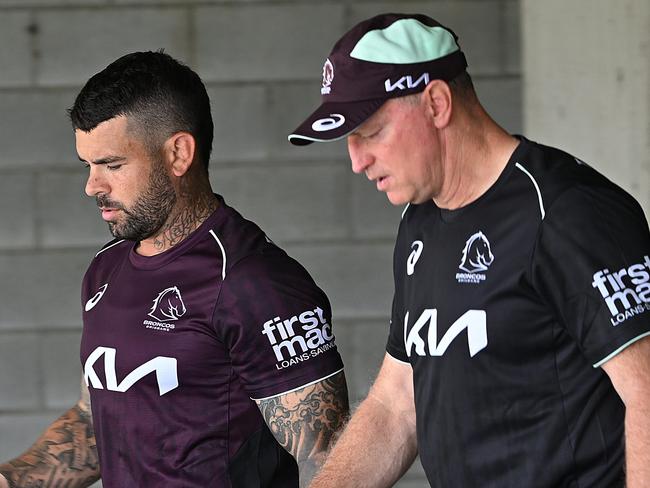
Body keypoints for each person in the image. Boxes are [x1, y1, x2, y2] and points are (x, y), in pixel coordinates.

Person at [288, 13, 650, 487]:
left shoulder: (565, 211)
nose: (357, 161)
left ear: (437, 103)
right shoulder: (419, 220)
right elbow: (397, 402)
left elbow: (646, 393)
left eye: (370, 132)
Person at [0, 51, 349, 488]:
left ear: (178, 154)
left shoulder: (253, 283)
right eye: (87, 166)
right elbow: (97, 421)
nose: (92, 186)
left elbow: (332, 466)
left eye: (112, 165)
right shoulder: (105, 269)